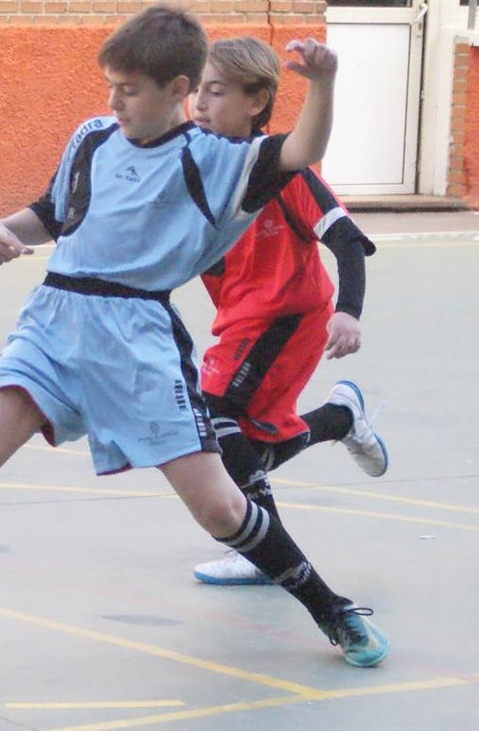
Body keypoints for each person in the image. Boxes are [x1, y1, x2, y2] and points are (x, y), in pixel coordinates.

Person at [0, 5, 390, 670]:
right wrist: (4, 229)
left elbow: (302, 150)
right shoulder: (92, 138)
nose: (113, 101)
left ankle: (333, 610)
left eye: (129, 90)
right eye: (110, 85)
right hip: (52, 323)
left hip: (136, 339)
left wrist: (323, 84)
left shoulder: (220, 161)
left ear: (177, 89)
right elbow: (54, 213)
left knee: (221, 507)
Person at [186, 37, 387, 586]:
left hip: (287, 318)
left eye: (216, 91)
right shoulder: (198, 169)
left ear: (256, 101)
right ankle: (339, 418)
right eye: (196, 90)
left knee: (213, 411)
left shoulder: (284, 169)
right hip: (240, 321)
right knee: (245, 449)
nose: (200, 103)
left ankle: (261, 549)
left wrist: (348, 311)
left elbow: (346, 239)